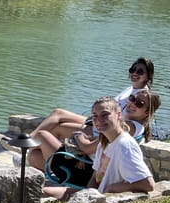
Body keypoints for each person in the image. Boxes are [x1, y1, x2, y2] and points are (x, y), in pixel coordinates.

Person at [22, 57, 155, 145]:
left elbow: (125, 122)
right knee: (58, 114)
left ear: (148, 76)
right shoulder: (131, 89)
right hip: (98, 120)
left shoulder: (142, 96)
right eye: (133, 69)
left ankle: (27, 144)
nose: (135, 73)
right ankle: (29, 142)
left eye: (140, 71)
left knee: (58, 123)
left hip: (102, 126)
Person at [45, 95, 156, 201]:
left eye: (105, 115)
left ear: (118, 115)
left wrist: (112, 188)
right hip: (95, 194)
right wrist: (86, 196)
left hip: (105, 197)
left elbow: (148, 184)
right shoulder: (104, 142)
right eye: (95, 116)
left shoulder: (124, 145)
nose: (99, 120)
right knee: (43, 192)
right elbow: (94, 178)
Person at [26, 88, 161, 172]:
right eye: (132, 98)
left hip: (85, 169)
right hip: (84, 164)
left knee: (42, 135)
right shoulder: (133, 126)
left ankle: (24, 146)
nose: (132, 103)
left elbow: (87, 148)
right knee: (34, 156)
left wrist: (79, 136)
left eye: (139, 103)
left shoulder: (127, 127)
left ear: (147, 112)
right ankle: (29, 154)